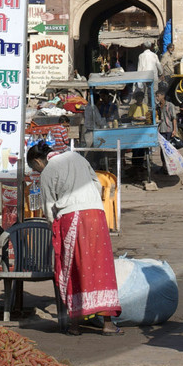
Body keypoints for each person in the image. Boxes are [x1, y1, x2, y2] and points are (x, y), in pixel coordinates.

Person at [27, 141, 121, 334]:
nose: (36, 171)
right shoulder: (76, 156)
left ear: (38, 160)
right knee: (101, 267)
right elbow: (96, 184)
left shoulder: (48, 171)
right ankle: (108, 324)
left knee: (73, 268)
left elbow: (49, 206)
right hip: (96, 214)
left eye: (34, 167)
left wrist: (53, 225)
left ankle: (76, 325)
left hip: (72, 218)